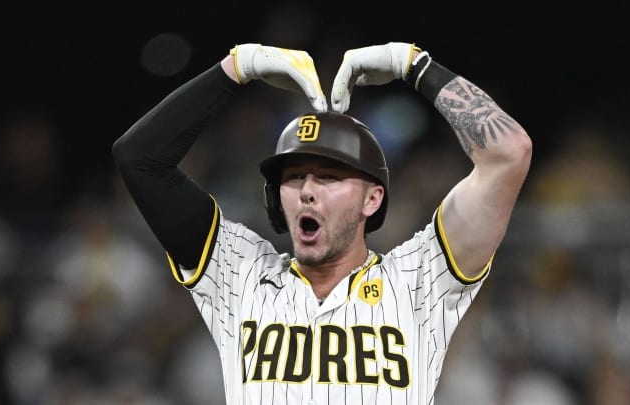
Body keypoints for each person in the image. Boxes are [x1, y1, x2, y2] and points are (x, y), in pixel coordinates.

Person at [112, 41, 532, 404]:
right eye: (294, 178)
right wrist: (236, 68)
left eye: (329, 177)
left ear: (373, 197)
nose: (307, 190)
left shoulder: (419, 279)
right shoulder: (238, 273)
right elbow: (140, 159)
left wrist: (415, 65)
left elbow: (509, 152)